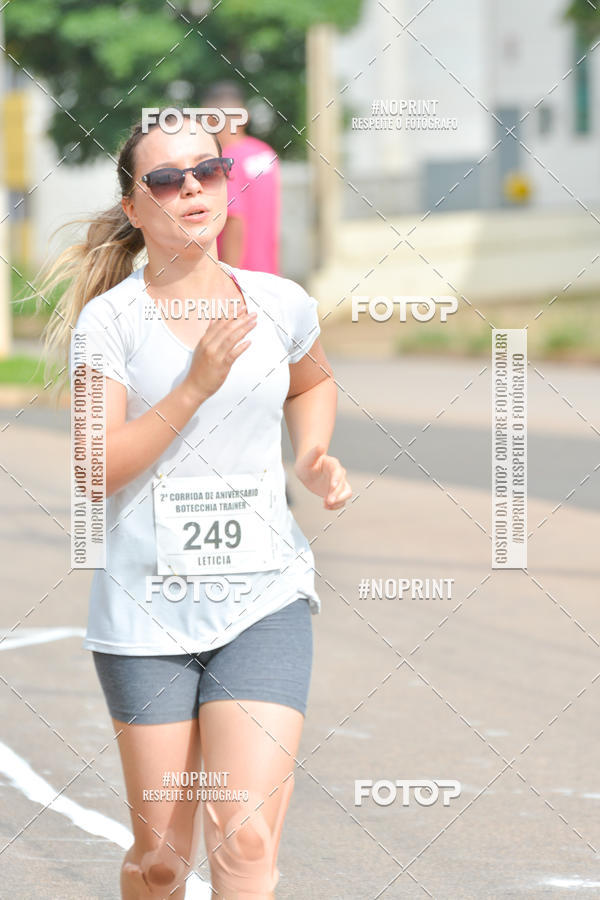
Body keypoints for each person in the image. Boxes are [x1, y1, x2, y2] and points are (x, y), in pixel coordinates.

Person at [39, 108, 352, 899]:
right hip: (146, 614)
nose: (192, 189)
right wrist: (195, 385)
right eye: (167, 179)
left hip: (263, 598)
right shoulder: (109, 324)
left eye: (208, 171)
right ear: (134, 206)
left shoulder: (280, 302)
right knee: (161, 860)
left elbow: (312, 381)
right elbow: (94, 469)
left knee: (245, 840)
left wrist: (312, 454)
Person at [203, 81, 281, 275]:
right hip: (267, 273)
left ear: (211, 119)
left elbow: (234, 220)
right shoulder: (265, 152)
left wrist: (230, 278)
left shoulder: (225, 161)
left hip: (241, 277)